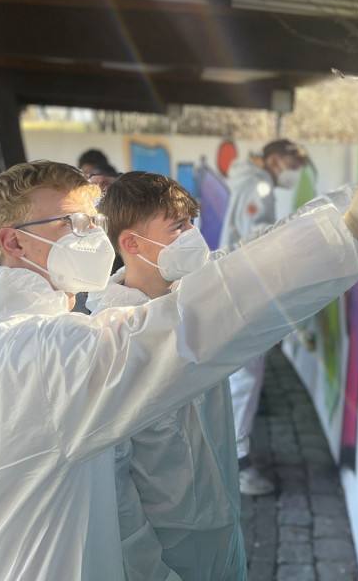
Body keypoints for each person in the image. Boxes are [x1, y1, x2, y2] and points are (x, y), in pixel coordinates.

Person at [0, 145, 358, 580]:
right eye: (71, 223)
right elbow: (188, 327)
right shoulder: (31, 354)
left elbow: (211, 291)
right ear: (13, 242)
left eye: (92, 223)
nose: (90, 237)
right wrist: (347, 230)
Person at [88, 172, 244, 581]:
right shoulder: (111, 340)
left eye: (191, 222)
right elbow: (113, 484)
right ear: (132, 244)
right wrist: (149, 568)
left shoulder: (196, 304)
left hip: (223, 522)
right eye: (178, 226)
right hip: (169, 548)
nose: (193, 235)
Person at [219, 138, 310, 495]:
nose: (293, 173)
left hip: (239, 287)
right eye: (291, 164)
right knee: (245, 377)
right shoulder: (257, 186)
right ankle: (238, 465)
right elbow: (258, 243)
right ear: (273, 159)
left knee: (241, 376)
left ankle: (232, 456)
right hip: (247, 290)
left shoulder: (248, 181)